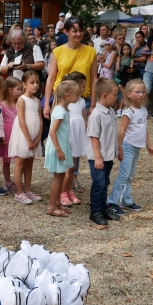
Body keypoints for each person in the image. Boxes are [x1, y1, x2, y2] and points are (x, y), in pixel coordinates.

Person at [107, 78, 153, 216]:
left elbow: (144, 129)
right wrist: (120, 147)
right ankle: (112, 201)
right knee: (123, 175)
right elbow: (122, 130)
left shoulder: (143, 110)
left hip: (137, 147)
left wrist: (148, 145)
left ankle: (126, 200)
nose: (141, 94)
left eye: (143, 92)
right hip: (128, 146)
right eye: (137, 92)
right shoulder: (128, 111)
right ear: (129, 94)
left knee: (130, 175)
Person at [44, 19, 99, 119]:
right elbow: (51, 78)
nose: (78, 34)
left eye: (80, 31)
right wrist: (47, 104)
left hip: (83, 99)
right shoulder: (57, 52)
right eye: (75, 31)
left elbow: (94, 79)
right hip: (61, 99)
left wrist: (93, 104)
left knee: (80, 131)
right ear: (66, 31)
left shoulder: (91, 52)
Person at [86, 78, 120, 227]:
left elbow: (113, 133)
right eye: (115, 94)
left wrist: (118, 150)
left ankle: (103, 207)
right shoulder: (96, 115)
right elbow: (94, 137)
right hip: (98, 156)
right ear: (105, 95)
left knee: (105, 182)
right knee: (98, 183)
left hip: (108, 154)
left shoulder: (111, 111)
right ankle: (95, 212)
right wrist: (98, 157)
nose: (117, 97)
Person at [44, 80, 79, 218]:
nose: (78, 97)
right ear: (67, 95)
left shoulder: (64, 109)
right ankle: (51, 206)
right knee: (58, 177)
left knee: (61, 175)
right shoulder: (60, 111)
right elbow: (52, 132)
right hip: (57, 147)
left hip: (62, 145)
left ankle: (57, 202)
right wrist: (59, 149)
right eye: (76, 94)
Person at [8, 71, 43, 205]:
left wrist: (38, 137)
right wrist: (28, 139)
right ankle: (19, 192)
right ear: (24, 84)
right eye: (32, 82)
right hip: (24, 136)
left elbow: (40, 119)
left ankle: (27, 190)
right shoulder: (22, 100)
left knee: (30, 163)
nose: (35, 85)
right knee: (20, 163)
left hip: (34, 136)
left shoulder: (37, 101)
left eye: (37, 83)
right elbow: (22, 121)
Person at [62, 71, 88, 206]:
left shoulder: (82, 101)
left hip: (78, 135)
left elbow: (84, 118)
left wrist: (85, 131)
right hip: (69, 135)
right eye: (82, 86)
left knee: (73, 166)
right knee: (67, 166)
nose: (84, 89)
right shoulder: (66, 102)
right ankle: (62, 192)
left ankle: (69, 190)